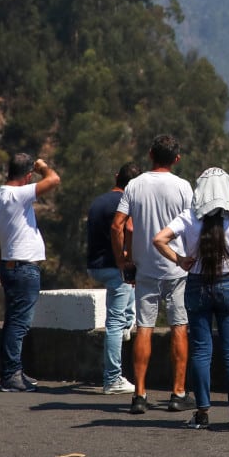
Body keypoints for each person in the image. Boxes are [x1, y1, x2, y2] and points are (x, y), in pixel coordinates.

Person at [153, 167, 229, 430]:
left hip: (196, 285)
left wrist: (180, 260)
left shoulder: (188, 217)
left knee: (201, 350)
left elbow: (159, 239)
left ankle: (202, 412)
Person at [111, 134, 195, 414]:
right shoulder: (183, 186)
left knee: (143, 328)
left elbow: (117, 225)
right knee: (179, 327)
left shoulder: (134, 185)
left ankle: (139, 394)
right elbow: (192, 225)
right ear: (177, 159)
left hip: (144, 268)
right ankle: (178, 393)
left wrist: (123, 260)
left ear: (150, 154)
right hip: (176, 268)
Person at [0, 154, 61, 392]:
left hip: (9, 265)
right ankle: (11, 376)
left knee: (12, 322)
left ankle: (13, 370)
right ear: (28, 176)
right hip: (24, 267)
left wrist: (1, 269)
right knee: (19, 324)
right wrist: (43, 167)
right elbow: (54, 179)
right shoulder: (19, 195)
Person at [86, 162, 141, 395]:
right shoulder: (125, 203)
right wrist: (127, 257)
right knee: (114, 323)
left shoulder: (98, 201)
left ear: (117, 177)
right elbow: (127, 229)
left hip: (94, 266)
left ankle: (129, 323)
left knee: (126, 310)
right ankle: (112, 379)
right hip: (114, 267)